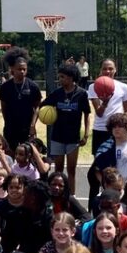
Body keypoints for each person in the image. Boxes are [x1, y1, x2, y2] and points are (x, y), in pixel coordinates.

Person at [42, 64, 91, 195]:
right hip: (57, 136)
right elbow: (42, 107)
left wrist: (86, 134)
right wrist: (34, 123)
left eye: (62, 77)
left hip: (73, 138)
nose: (60, 79)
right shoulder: (57, 94)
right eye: (59, 77)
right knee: (58, 169)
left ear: (71, 78)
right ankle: (57, 196)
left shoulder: (81, 94)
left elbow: (87, 114)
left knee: (71, 170)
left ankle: (71, 197)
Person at [0, 47, 43, 153]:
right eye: (19, 69)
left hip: (27, 128)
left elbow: (37, 106)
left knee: (28, 155)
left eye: (24, 69)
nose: (22, 71)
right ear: (12, 69)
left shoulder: (33, 86)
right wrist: (8, 122)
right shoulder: (5, 87)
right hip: (10, 128)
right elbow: (4, 108)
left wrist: (33, 125)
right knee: (10, 154)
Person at [87, 58, 127, 154]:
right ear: (101, 70)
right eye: (104, 69)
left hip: (118, 129)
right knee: (99, 163)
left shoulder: (123, 87)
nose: (107, 71)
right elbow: (99, 113)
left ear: (115, 70)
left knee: (119, 161)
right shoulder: (93, 87)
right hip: (100, 129)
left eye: (111, 69)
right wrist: (105, 102)